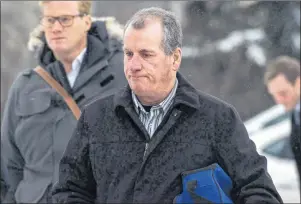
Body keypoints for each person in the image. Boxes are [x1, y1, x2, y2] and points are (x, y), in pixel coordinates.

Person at [52, 7, 282, 203]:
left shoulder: (218, 119)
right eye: (129, 54)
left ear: (175, 58)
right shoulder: (96, 117)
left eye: (146, 54)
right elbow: (69, 191)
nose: (134, 65)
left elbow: (260, 192)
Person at [1, 1, 127, 203]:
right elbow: (9, 166)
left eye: (65, 19)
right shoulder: (25, 85)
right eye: (49, 20)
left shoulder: (127, 73)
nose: (56, 28)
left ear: (86, 21)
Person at [264, 55, 300, 197]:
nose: (279, 101)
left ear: (298, 83)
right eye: (275, 95)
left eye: (283, 93)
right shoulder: (295, 115)